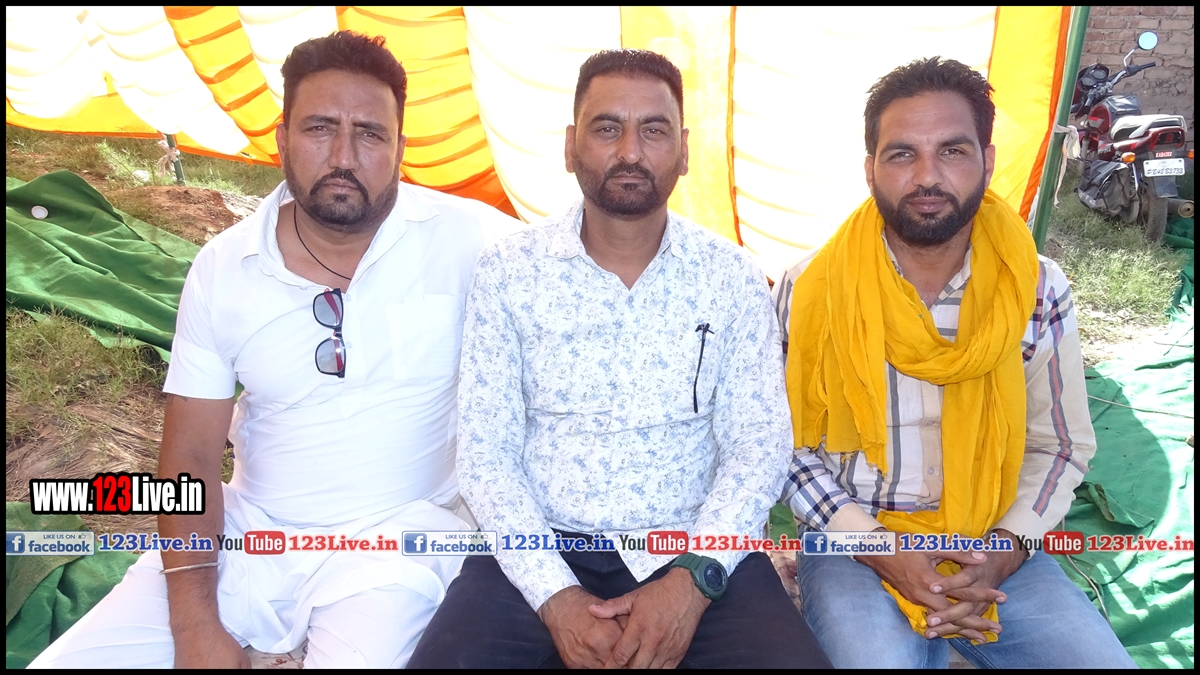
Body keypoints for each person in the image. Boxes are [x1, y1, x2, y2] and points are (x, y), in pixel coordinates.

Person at [30, 31, 519, 669]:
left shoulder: (472, 238)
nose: (344, 156)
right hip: (250, 534)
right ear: (283, 138)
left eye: (370, 133)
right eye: (320, 128)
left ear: (400, 148)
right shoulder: (224, 267)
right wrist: (195, 626)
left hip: (396, 546)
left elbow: (591, 269)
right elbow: (191, 458)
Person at [407, 49, 830, 670]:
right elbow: (486, 452)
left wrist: (692, 582)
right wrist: (554, 595)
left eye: (653, 130)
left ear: (683, 151)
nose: (630, 151)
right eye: (607, 128)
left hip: (696, 549)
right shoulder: (510, 273)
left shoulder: (732, 279)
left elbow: (758, 445)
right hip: (538, 550)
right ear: (571, 146)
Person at [774, 57, 1136, 669]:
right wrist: (878, 547)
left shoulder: (1033, 288)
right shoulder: (811, 288)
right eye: (902, 154)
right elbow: (784, 446)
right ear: (870, 169)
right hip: (854, 543)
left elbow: (1060, 443)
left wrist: (1002, 551)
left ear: (987, 162)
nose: (927, 176)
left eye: (952, 151)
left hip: (989, 543)